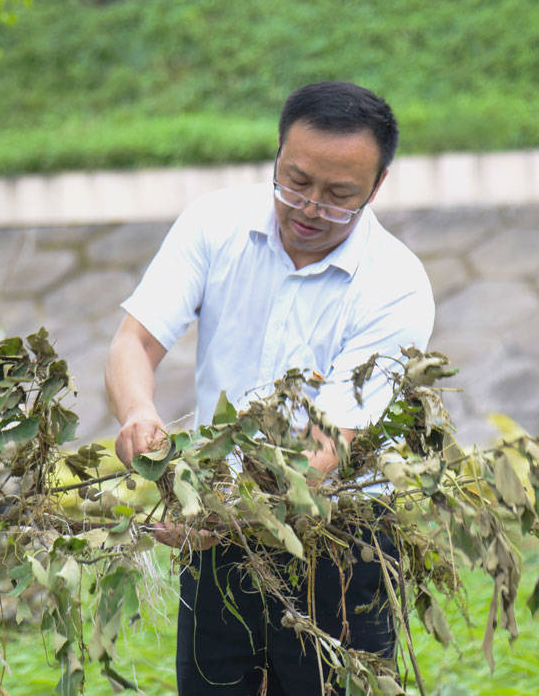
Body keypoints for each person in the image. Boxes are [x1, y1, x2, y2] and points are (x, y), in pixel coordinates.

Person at [104, 81, 434, 695]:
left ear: (378, 186)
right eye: (296, 182)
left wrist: (220, 513)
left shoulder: (396, 286)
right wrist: (138, 414)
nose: (309, 209)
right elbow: (134, 343)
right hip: (213, 537)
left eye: (340, 197)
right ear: (277, 154)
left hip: (340, 543)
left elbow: (326, 447)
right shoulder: (214, 224)